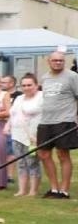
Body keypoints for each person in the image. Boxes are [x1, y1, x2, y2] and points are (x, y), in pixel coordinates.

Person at [36, 49, 78, 198]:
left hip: (64, 120)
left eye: (61, 60)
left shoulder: (72, 76)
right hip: (46, 121)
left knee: (62, 154)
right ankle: (54, 188)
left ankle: (64, 190)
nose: (58, 63)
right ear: (49, 61)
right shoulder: (45, 77)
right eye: (55, 60)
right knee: (43, 154)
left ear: (64, 62)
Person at [8, 74, 43, 197]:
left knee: (32, 162)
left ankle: (33, 191)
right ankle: (22, 190)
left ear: (36, 85)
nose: (26, 88)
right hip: (16, 134)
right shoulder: (19, 98)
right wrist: (7, 126)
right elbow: (13, 114)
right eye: (24, 85)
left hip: (33, 136)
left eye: (29, 85)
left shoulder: (41, 97)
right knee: (21, 163)